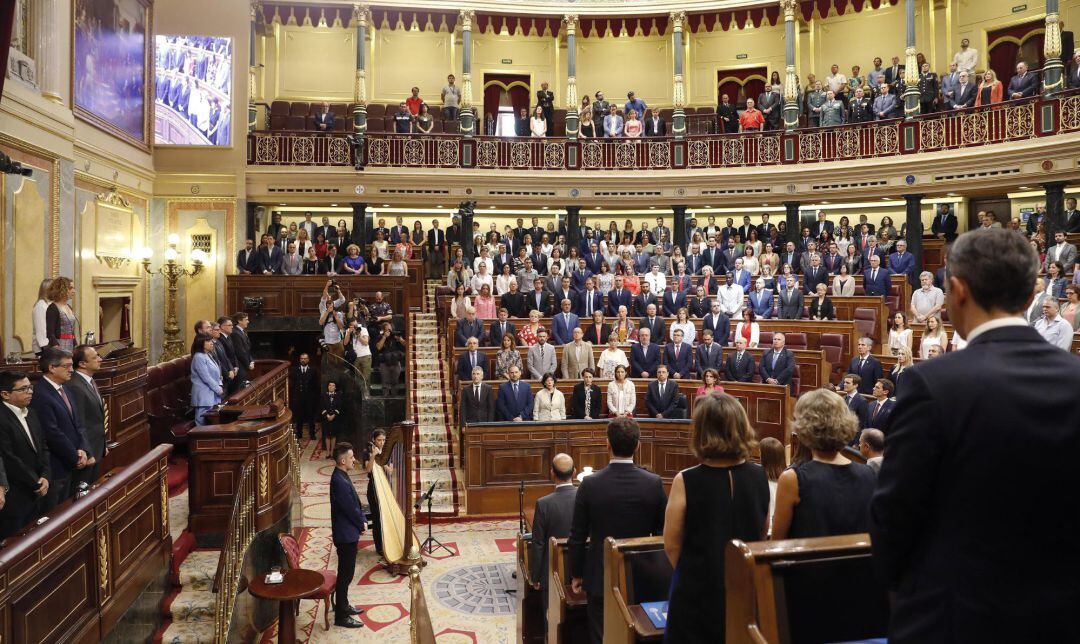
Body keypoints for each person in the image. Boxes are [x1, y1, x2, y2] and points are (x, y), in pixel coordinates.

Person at [871, 228, 1080, 642]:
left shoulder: (930, 384)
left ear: (958, 291)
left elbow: (893, 515)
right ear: (1026, 298)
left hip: (952, 619)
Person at [663, 392, 768, 643]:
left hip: (696, 592)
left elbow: (671, 544)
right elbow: (761, 534)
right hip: (745, 587)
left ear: (702, 430)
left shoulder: (686, 479)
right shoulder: (759, 475)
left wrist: (698, 575)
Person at [569, 417, 666, 644]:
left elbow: (577, 535)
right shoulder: (654, 483)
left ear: (607, 445)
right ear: (638, 446)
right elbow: (662, 533)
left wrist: (576, 573)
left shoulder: (590, 484)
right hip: (641, 576)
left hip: (600, 576)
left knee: (602, 637)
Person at [772, 389, 875, 540]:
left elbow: (777, 543)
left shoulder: (792, 479)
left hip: (808, 563)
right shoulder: (869, 473)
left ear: (803, 427)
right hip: (858, 563)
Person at [0, 371, 51, 538]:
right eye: (24, 389)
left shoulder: (31, 413)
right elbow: (8, 458)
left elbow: (43, 447)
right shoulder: (2, 419)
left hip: (38, 489)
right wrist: (34, 482)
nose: (30, 392)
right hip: (16, 495)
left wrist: (45, 475)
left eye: (30, 387)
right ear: (5, 394)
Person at [529, 454, 577, 615]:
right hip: (580, 571)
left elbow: (538, 543)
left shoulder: (543, 504)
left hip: (551, 573)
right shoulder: (585, 497)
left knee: (551, 619)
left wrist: (535, 576)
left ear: (552, 473)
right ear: (575, 472)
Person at [328, 442, 366, 628]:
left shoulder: (342, 475)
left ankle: (343, 605)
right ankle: (341, 616)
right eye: (351, 457)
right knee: (345, 575)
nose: (354, 460)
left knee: (347, 573)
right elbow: (349, 508)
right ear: (342, 460)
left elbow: (353, 503)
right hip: (345, 534)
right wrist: (362, 523)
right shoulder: (338, 480)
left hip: (347, 532)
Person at [68, 345, 106, 486]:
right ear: (82, 364)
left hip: (96, 447)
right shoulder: (75, 386)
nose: (100, 359)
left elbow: (96, 418)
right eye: (95, 357)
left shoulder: (89, 380)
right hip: (87, 453)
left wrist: (102, 446)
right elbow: (79, 423)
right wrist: (88, 453)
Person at [187, 334, 222, 431]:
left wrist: (219, 383)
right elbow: (205, 377)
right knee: (201, 425)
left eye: (211, 341)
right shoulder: (198, 357)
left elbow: (215, 372)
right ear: (201, 343)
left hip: (210, 393)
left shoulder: (208, 355)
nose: (211, 343)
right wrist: (218, 389)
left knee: (210, 424)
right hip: (203, 395)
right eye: (208, 341)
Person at [45, 277, 78, 352]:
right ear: (62, 289)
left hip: (70, 346)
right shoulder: (52, 308)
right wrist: (56, 348)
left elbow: (71, 330)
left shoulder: (69, 307)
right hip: (59, 347)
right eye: (71, 288)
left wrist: (75, 346)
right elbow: (50, 333)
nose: (74, 291)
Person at [290, 353, 318, 440]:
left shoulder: (313, 370)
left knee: (311, 417)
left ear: (308, 360)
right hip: (298, 398)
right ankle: (299, 434)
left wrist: (313, 397)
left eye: (305, 358)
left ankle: (312, 434)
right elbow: (293, 384)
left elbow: (315, 385)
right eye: (302, 358)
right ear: (299, 359)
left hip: (310, 398)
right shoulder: (295, 370)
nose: (303, 360)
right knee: (299, 417)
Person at [374, 321, 406, 396]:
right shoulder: (380, 337)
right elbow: (378, 347)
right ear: (384, 330)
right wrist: (384, 337)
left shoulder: (396, 336)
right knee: (385, 382)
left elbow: (406, 345)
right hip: (384, 363)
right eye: (387, 330)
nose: (389, 331)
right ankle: (386, 397)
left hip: (395, 362)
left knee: (395, 381)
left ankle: (394, 397)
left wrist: (400, 339)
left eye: (390, 329)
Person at [320, 381, 343, 457]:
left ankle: (332, 452)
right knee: (327, 435)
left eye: (333, 386)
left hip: (335, 419)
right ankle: (327, 452)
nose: (331, 387)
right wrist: (327, 415)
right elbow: (322, 407)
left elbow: (339, 407)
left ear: (335, 387)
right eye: (329, 385)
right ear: (328, 387)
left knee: (333, 435)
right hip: (326, 418)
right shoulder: (323, 395)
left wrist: (333, 415)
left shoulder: (338, 396)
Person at [31, 279, 52, 354]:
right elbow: (41, 331)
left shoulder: (49, 304)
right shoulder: (41, 306)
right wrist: (48, 348)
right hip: (44, 349)